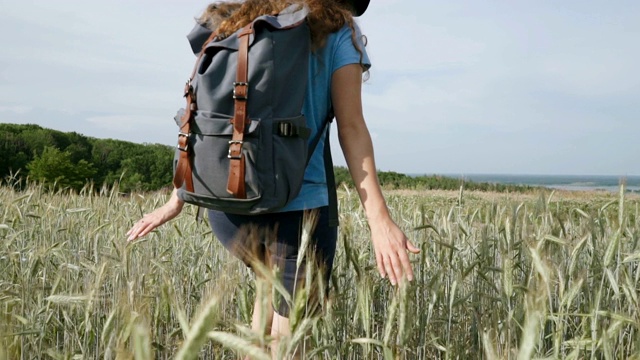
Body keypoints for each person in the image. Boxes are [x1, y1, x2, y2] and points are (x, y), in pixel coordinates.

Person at [126, 0, 419, 357]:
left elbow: (205, 116)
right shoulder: (339, 31)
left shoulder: (236, 20)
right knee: (287, 345)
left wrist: (179, 197)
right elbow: (352, 127)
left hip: (227, 206)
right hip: (298, 213)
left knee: (265, 312)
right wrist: (379, 220)